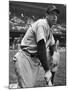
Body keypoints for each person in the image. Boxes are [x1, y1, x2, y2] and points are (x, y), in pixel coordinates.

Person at [13, 5, 60, 88]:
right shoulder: (42, 24)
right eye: (52, 14)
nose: (54, 17)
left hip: (35, 59)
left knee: (56, 55)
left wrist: (54, 55)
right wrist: (47, 70)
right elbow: (41, 47)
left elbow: (52, 45)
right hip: (25, 58)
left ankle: (50, 84)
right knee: (26, 87)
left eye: (56, 15)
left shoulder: (49, 29)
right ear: (47, 15)